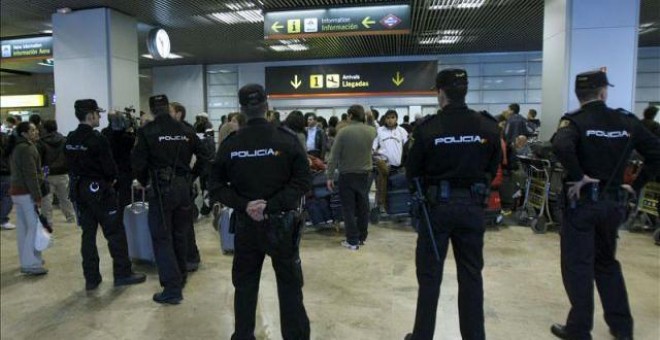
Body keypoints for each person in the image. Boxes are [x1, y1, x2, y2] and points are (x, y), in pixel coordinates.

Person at [550, 70, 660, 340]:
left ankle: (578, 329)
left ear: (579, 94)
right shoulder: (626, 121)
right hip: (613, 204)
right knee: (607, 264)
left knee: (578, 266)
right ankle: (622, 329)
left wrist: (579, 176)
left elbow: (561, 146)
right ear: (603, 92)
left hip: (583, 204)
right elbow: (656, 152)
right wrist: (635, 185)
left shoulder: (574, 121)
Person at [404, 69, 501, 340]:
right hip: (473, 208)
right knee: (471, 276)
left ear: (440, 92)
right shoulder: (487, 127)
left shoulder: (428, 129)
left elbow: (412, 172)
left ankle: (422, 336)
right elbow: (492, 168)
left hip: (436, 211)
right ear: (465, 91)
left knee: (430, 278)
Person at [209, 84, 310, 339]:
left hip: (246, 225)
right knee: (289, 287)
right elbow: (302, 182)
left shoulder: (231, 144)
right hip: (281, 225)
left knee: (245, 285)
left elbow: (215, 186)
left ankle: (243, 335)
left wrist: (245, 205)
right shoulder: (287, 139)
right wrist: (271, 205)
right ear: (267, 105)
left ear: (241, 109)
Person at [132, 95, 211, 304]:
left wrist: (143, 180)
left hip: (160, 190)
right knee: (180, 234)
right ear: (167, 108)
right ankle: (181, 276)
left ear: (152, 110)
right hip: (183, 189)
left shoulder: (147, 132)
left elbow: (138, 163)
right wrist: (191, 176)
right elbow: (206, 157)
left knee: (161, 238)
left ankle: (172, 289)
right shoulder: (185, 130)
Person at [65, 99, 146, 291]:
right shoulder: (97, 139)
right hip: (100, 190)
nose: (99, 117)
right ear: (90, 115)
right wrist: (111, 181)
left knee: (88, 235)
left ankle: (91, 278)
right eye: (97, 114)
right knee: (115, 233)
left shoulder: (70, 139)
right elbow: (110, 169)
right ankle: (123, 273)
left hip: (79, 190)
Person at [326, 104, 377, 250]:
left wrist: (329, 176)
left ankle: (352, 240)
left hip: (347, 175)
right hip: (365, 175)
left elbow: (334, 157)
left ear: (350, 116)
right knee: (363, 206)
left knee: (348, 208)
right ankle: (362, 237)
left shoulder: (343, 132)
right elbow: (375, 129)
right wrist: (370, 118)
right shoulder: (370, 131)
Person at [8, 122, 48, 275]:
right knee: (33, 227)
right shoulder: (27, 149)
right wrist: (37, 195)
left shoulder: (18, 147)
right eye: (32, 130)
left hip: (17, 192)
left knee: (24, 227)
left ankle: (27, 259)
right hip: (26, 193)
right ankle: (31, 263)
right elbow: (31, 175)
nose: (36, 132)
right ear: (24, 134)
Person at [169, 101, 204, 272]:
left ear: (178, 113)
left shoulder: (188, 132)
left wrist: (192, 175)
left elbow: (204, 156)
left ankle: (190, 257)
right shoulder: (165, 131)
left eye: (170, 111)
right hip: (176, 181)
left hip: (182, 181)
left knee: (185, 223)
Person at [38, 119, 75, 224]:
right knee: (65, 198)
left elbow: (39, 159)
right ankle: (71, 217)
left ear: (45, 129)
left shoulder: (41, 142)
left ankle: (47, 220)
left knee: (47, 199)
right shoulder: (64, 140)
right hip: (63, 172)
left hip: (47, 173)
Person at [372, 109, 409, 213]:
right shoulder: (379, 131)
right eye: (388, 118)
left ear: (396, 118)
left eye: (393, 117)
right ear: (385, 119)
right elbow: (373, 148)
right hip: (383, 164)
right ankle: (381, 205)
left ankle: (397, 206)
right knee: (382, 181)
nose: (390, 120)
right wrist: (375, 156)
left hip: (398, 165)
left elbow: (407, 147)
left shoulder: (402, 131)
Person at [1, 116, 17, 230]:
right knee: (7, 196)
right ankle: (2, 219)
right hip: (5, 170)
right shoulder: (6, 138)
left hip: (5, 170)